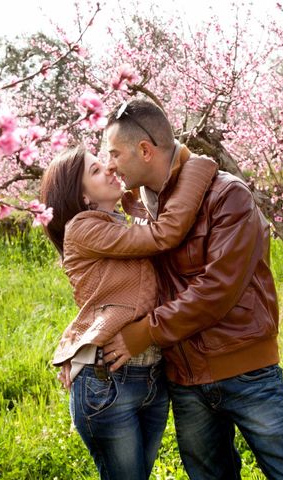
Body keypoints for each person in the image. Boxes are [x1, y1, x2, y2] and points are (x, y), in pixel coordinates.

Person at [94, 99, 283, 480]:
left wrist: (145, 333)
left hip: (246, 370)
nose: (111, 163)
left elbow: (217, 289)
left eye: (115, 153)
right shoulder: (138, 211)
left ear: (145, 150)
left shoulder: (225, 195)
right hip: (185, 379)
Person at [39, 144, 217, 480]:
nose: (108, 167)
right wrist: (196, 166)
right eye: (94, 170)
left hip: (150, 374)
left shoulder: (117, 223)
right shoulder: (83, 227)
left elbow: (107, 298)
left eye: (103, 161)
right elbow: (164, 235)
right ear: (83, 198)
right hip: (109, 381)